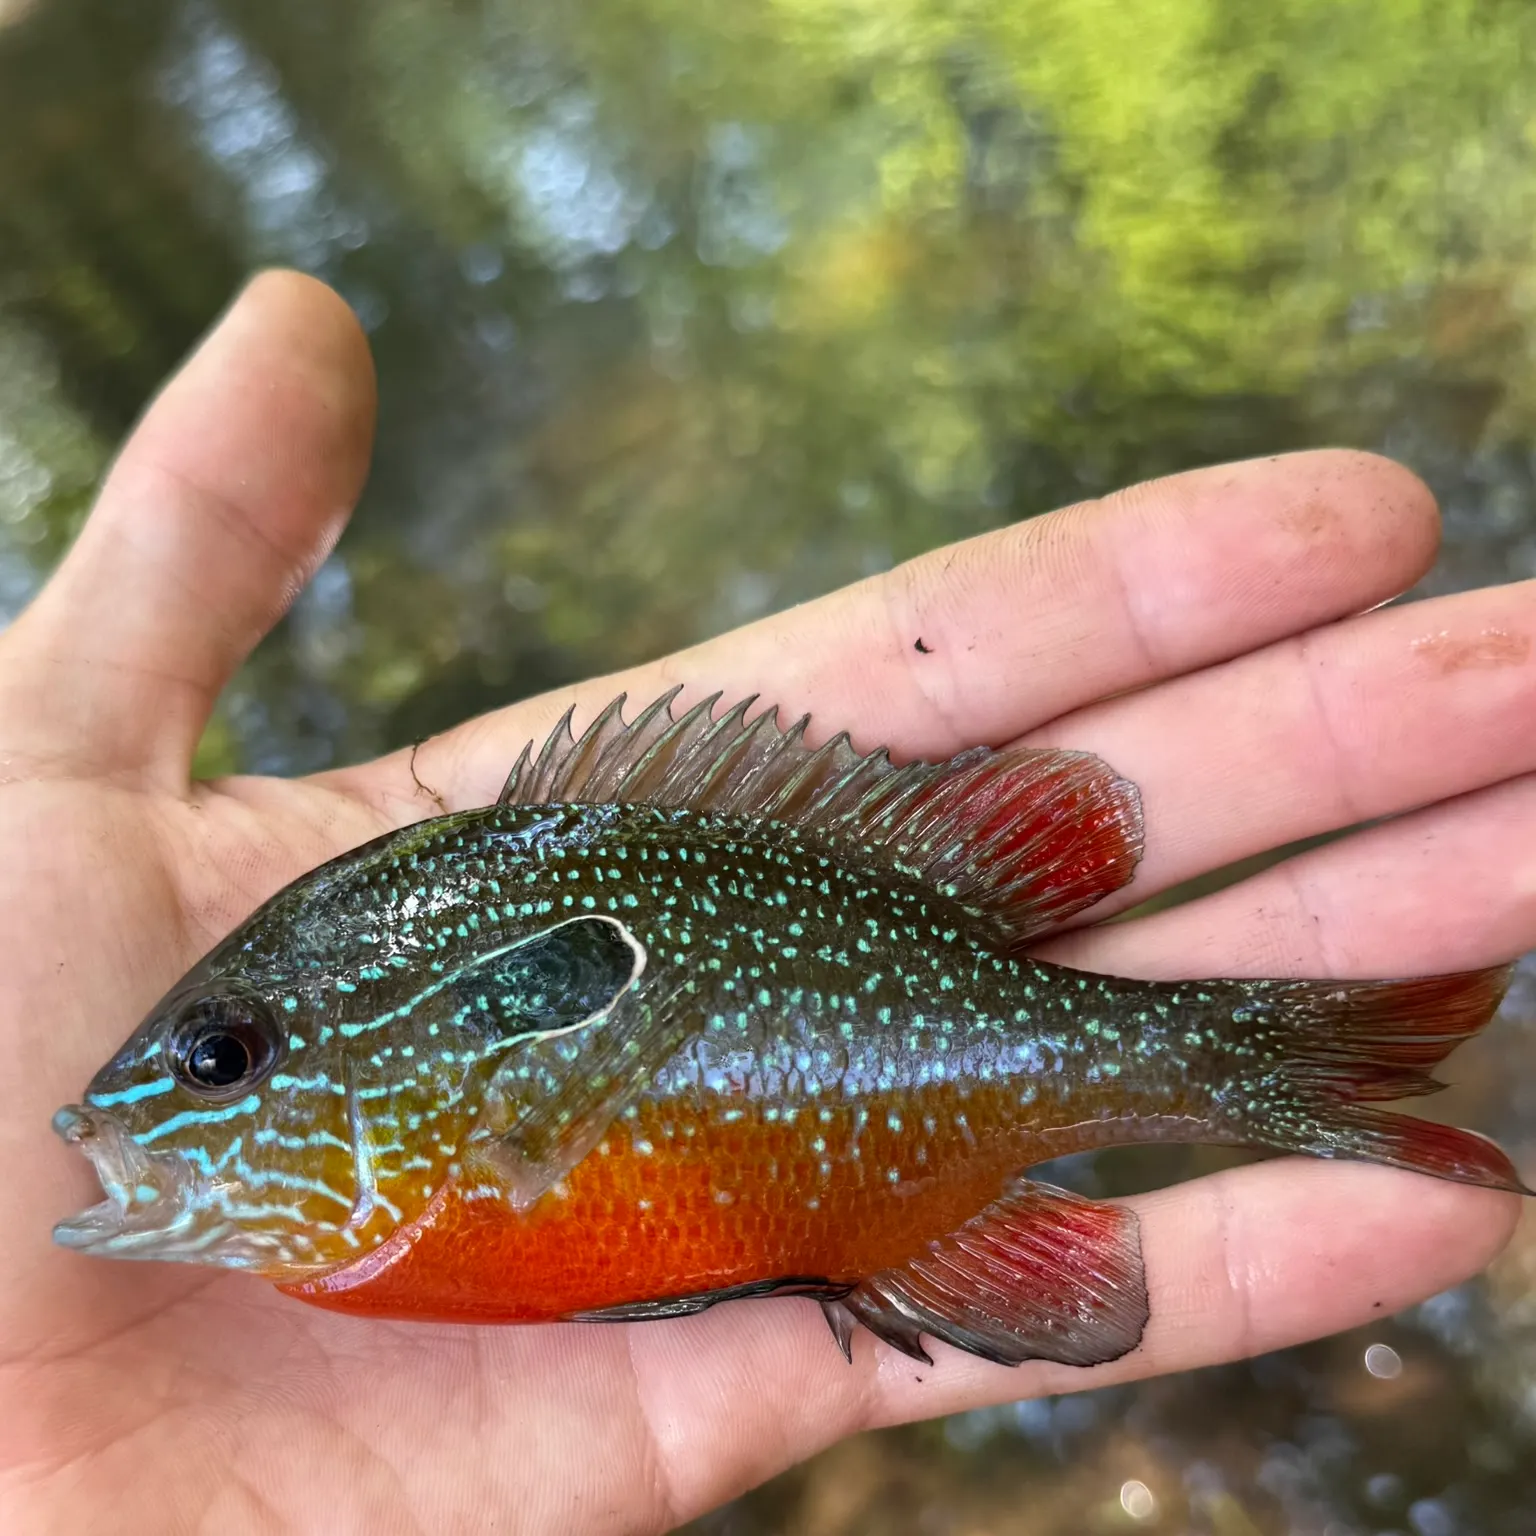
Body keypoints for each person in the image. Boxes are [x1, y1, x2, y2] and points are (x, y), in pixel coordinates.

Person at [0, 271, 1527, 1533]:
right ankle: (1341, 1068)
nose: (128, 1117)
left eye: (221, 1060)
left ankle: (1313, 1066)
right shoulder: (409, 1194)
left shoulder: (430, 1170)